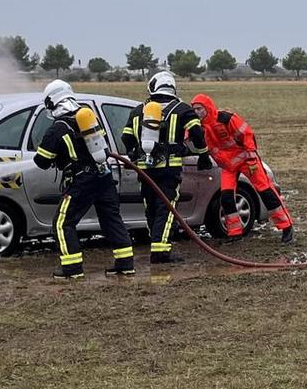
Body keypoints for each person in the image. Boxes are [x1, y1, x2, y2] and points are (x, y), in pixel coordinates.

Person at [31, 80, 136, 278]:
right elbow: (103, 148)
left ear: (52, 103)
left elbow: (42, 161)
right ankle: (125, 263)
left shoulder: (57, 129)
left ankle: (71, 268)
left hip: (81, 182)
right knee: (111, 219)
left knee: (62, 223)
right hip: (104, 176)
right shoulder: (89, 120)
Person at [119, 70, 207, 264]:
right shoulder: (183, 109)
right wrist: (203, 155)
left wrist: (135, 154)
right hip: (168, 170)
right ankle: (161, 251)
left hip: (144, 170)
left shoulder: (137, 111)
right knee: (166, 208)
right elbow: (198, 134)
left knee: (150, 208)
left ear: (152, 87)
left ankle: (156, 244)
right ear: (172, 88)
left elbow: (126, 138)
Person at [189, 93, 296, 243]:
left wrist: (252, 157)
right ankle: (234, 232)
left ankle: (287, 227)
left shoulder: (226, 118)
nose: (197, 112)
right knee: (226, 197)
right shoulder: (196, 126)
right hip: (227, 166)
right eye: (194, 110)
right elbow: (185, 137)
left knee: (266, 192)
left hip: (247, 160)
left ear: (208, 107)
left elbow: (247, 134)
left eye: (200, 109)